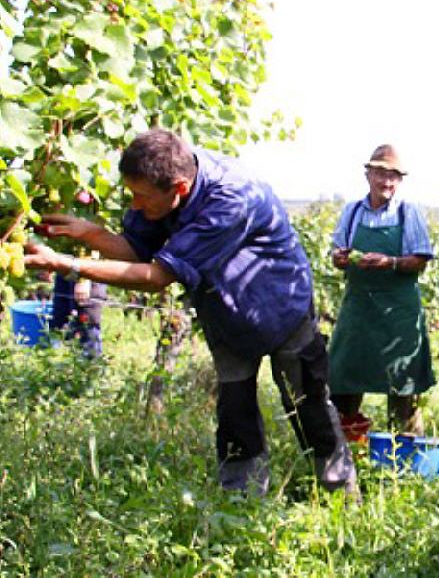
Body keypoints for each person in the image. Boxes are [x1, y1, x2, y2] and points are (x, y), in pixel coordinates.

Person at [23, 128, 354, 496]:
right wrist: (89, 234)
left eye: (141, 197)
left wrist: (68, 265)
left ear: (179, 189)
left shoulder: (230, 198)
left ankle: (340, 493)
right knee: (235, 409)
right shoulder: (162, 182)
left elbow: (156, 277)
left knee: (307, 399)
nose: (135, 206)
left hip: (281, 305)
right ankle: (241, 501)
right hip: (225, 311)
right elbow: (136, 249)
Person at [328, 144, 435, 435]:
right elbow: (337, 254)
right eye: (380, 174)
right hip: (358, 311)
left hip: (398, 314)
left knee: (403, 385)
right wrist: (340, 258)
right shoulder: (352, 212)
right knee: (344, 379)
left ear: (399, 181)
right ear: (368, 176)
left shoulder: (407, 212)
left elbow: (420, 259)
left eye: (393, 176)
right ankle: (346, 447)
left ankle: (406, 449)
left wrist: (390, 262)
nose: (386, 182)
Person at [51, 274, 107, 358]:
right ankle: (59, 360)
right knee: (60, 323)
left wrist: (83, 279)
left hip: (87, 272)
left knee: (87, 327)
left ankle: (90, 362)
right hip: (66, 270)